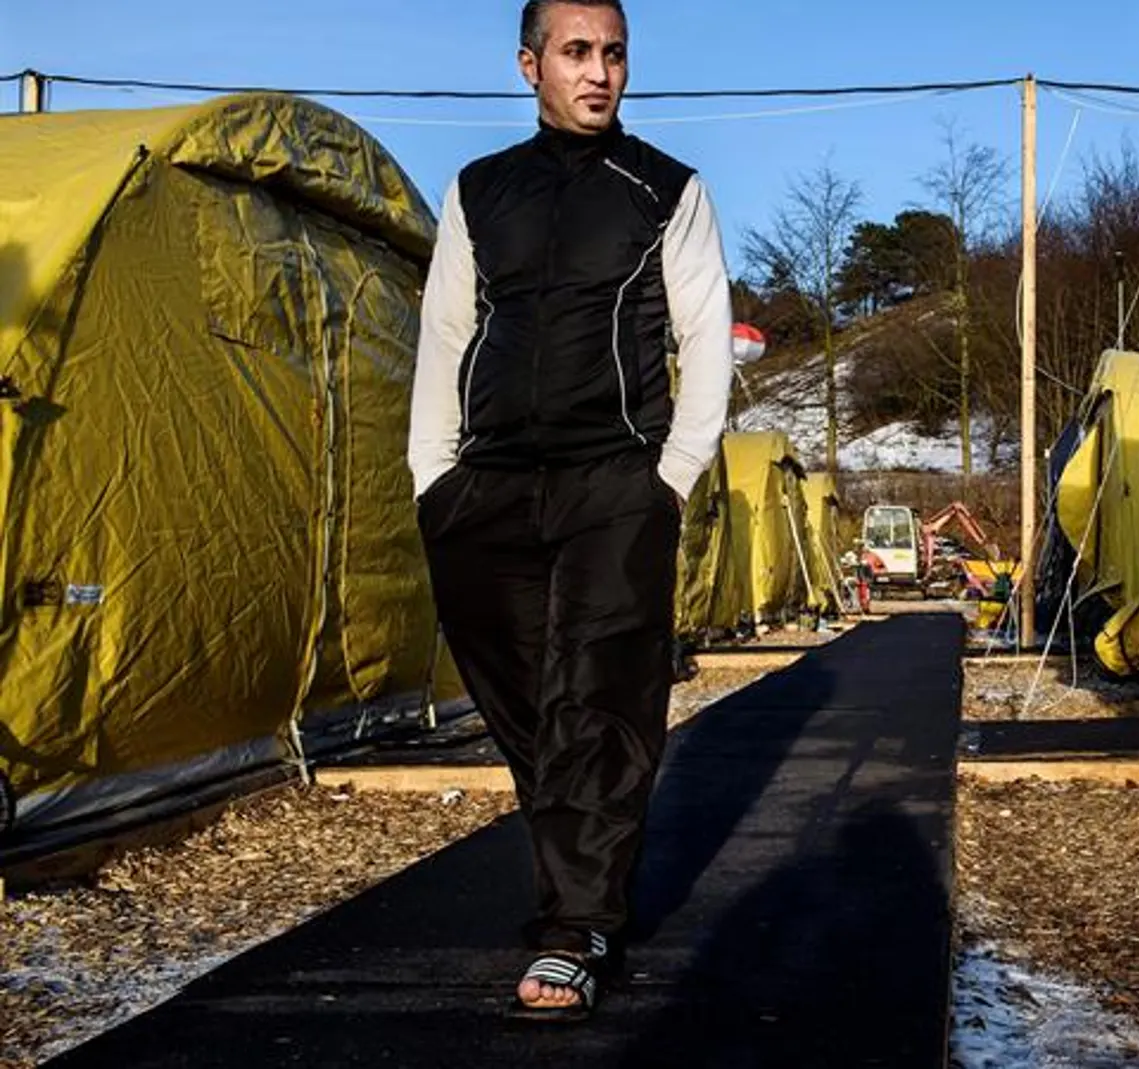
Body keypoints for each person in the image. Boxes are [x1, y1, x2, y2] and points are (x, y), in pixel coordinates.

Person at [406, 0, 733, 1022]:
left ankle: (577, 924)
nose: (599, 72)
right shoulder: (479, 190)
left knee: (598, 698)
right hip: (485, 484)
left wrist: (672, 473)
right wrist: (432, 474)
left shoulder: (666, 189)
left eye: (614, 54)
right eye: (577, 52)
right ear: (529, 64)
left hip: (615, 481)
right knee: (526, 702)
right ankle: (580, 873)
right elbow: (447, 333)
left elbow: (707, 336)